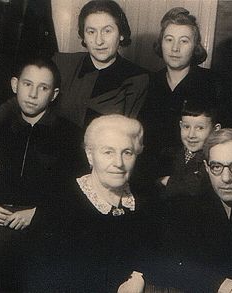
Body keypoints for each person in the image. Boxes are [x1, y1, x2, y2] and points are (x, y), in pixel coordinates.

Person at [0, 0, 149, 186]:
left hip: (98, 174)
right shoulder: (62, 62)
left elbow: (128, 141)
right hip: (47, 167)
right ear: (83, 36)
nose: (99, 40)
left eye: (107, 30)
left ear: (121, 34)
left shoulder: (137, 78)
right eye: (91, 31)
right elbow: (17, 102)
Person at [0, 57, 85, 267]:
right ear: (15, 85)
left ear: (54, 94)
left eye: (43, 88)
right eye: (27, 84)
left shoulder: (70, 136)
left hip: (42, 230)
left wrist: (37, 214)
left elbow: (77, 192)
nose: (32, 94)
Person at [15, 114, 155, 293]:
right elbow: (41, 276)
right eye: (108, 152)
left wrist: (137, 277)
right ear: (90, 155)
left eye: (127, 152)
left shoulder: (144, 201)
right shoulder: (60, 202)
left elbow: (155, 253)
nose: (118, 163)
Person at [148, 128, 232, 292]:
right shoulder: (186, 210)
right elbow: (169, 265)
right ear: (206, 167)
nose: (226, 178)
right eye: (216, 167)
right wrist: (225, 287)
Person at [139, 7, 224, 162]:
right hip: (148, 172)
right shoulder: (147, 83)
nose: (175, 48)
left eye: (184, 41)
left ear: (195, 46)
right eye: (169, 39)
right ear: (161, 43)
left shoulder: (214, 84)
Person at [158, 99, 221, 199]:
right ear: (180, 125)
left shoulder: (214, 158)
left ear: (215, 129)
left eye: (200, 128)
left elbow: (197, 187)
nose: (191, 135)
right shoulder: (169, 154)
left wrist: (167, 181)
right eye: (186, 127)